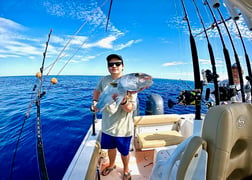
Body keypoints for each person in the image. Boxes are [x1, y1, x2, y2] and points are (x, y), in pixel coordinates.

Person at [92, 54, 137, 180]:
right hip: (107, 125)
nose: (114, 66)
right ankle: (112, 165)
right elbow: (96, 91)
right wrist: (95, 102)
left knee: (124, 152)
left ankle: (126, 170)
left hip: (123, 129)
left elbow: (130, 109)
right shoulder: (105, 80)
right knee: (111, 148)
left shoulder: (130, 83)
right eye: (111, 64)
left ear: (122, 66)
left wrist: (122, 101)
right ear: (108, 67)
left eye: (117, 63)